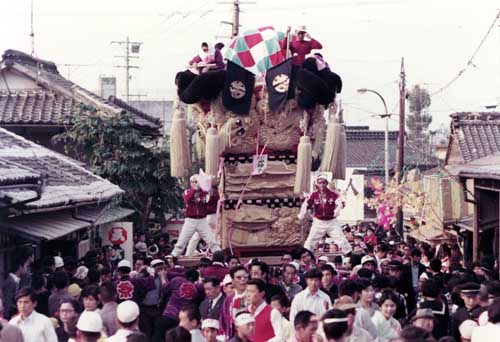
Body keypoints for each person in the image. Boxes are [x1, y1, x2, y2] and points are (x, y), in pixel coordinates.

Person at [171, 174, 221, 257]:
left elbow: (214, 197)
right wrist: (195, 189)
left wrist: (209, 185)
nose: (194, 183)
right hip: (190, 220)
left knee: (211, 240)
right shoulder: (187, 191)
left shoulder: (204, 193)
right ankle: (174, 257)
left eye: (196, 181)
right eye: (192, 182)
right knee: (182, 240)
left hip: (202, 220)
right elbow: (187, 199)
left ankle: (219, 257)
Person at [303, 175, 352, 254]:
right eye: (320, 183)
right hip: (318, 222)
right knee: (309, 242)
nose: (322, 185)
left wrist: (340, 204)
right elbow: (307, 205)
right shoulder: (314, 195)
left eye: (324, 183)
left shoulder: (333, 194)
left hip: (331, 222)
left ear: (327, 183)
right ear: (317, 184)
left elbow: (341, 203)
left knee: (342, 241)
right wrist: (304, 201)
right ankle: (305, 258)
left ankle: (351, 258)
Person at [153, 268, 200, 342]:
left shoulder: (177, 280)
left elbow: (165, 289)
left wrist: (162, 277)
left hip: (168, 314)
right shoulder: (196, 289)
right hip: (180, 319)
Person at [139, 259, 167, 340]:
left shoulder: (163, 278)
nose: (160, 270)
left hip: (157, 308)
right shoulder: (145, 277)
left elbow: (165, 289)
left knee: (156, 332)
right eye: (157, 268)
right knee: (146, 331)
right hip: (144, 308)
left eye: (161, 268)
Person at [220, 266, 249, 339]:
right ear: (232, 281)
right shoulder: (229, 299)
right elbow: (223, 321)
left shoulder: (253, 297)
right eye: (239, 278)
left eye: (245, 277)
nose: (243, 280)